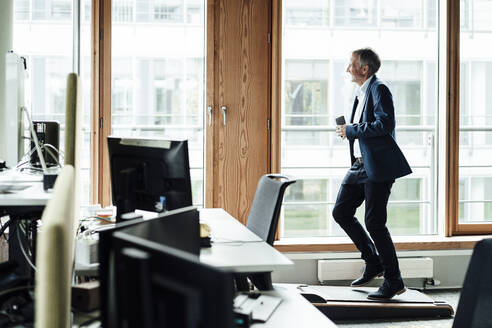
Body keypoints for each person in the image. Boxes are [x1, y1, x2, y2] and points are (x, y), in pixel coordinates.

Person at [334, 48, 412, 300]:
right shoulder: (362, 92)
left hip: (377, 166)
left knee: (375, 223)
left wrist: (352, 129)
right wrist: (350, 131)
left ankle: (394, 280)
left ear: (364, 69)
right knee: (341, 212)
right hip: (360, 164)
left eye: (351, 64)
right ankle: (373, 260)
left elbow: (384, 124)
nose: (348, 69)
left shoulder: (379, 89)